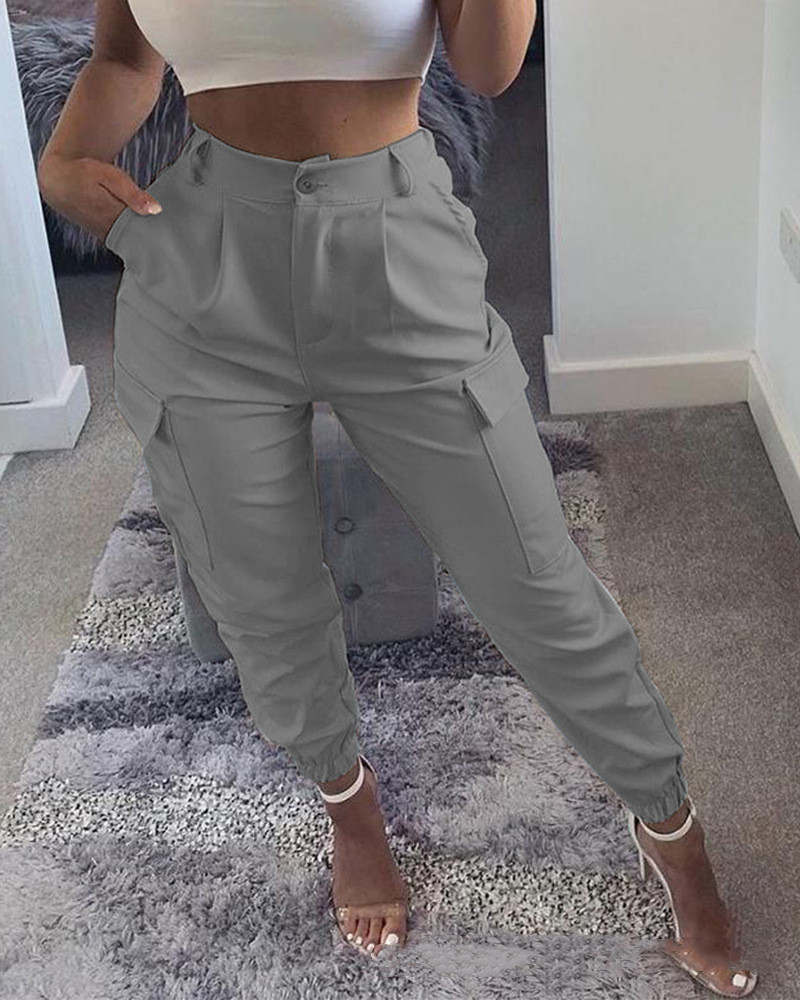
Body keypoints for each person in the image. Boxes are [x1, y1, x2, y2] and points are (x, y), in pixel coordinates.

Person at [36, 1, 757, 994]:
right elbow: (124, 56)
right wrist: (65, 155)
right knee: (261, 595)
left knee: (535, 582)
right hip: (198, 263)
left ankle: (674, 835)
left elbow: (488, 67)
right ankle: (351, 809)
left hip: (392, 242)